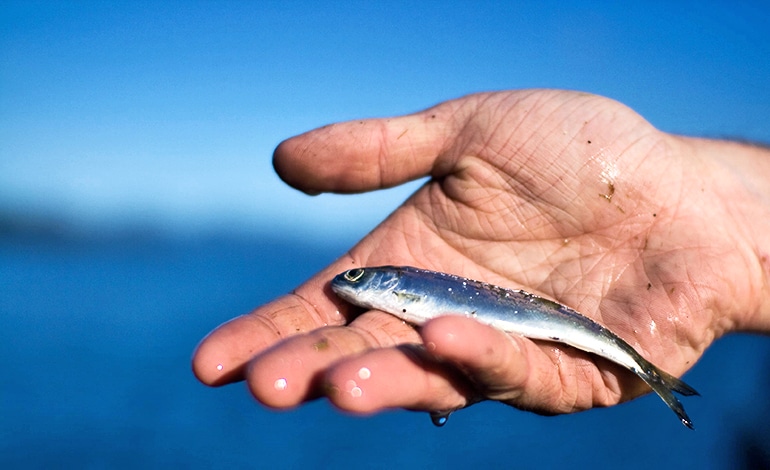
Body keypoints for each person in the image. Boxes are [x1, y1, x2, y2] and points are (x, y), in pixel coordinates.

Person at [192, 89, 769, 421]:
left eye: (362, 278)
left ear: (392, 283)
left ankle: (650, 373)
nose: (350, 283)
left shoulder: (405, 288)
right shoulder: (402, 291)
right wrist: (730, 220)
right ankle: (653, 374)